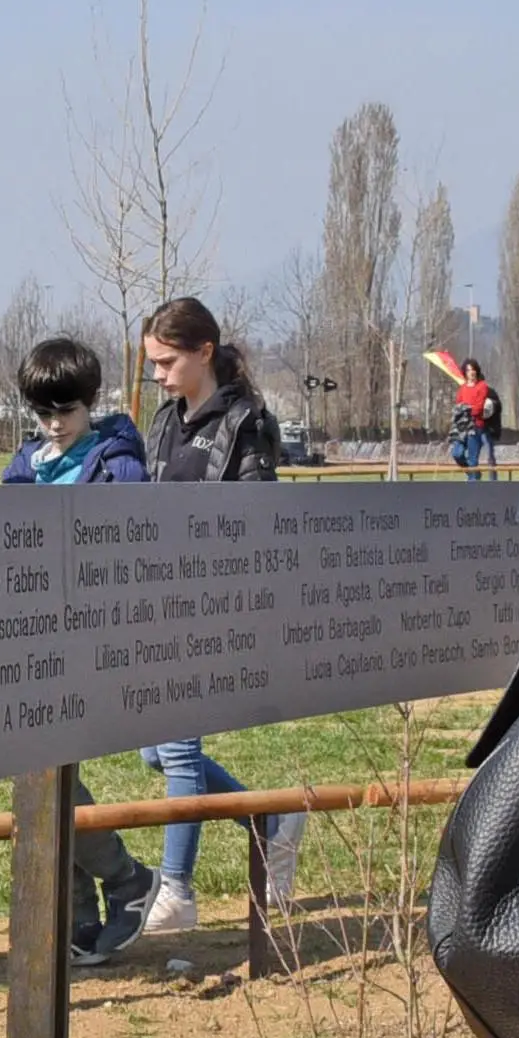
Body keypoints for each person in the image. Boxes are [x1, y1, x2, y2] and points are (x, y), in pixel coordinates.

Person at [132, 295, 297, 933]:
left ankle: (177, 891)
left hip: (212, 602)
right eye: (152, 363)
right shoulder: (165, 421)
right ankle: (273, 819)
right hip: (159, 597)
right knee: (154, 752)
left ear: (205, 352)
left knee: (177, 744)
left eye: (168, 362)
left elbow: (260, 516)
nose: (158, 375)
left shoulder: (247, 423)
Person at [0, 335, 159, 964]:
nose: (51, 425)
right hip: (29, 633)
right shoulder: (24, 465)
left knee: (53, 770)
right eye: (41, 413)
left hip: (89, 635)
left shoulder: (117, 463)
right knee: (37, 770)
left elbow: (124, 546)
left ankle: (127, 880)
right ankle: (76, 918)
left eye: (63, 412)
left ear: (90, 402)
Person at [452, 357, 498, 479]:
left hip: (476, 427)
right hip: (462, 428)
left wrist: (466, 409)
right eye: (468, 370)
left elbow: (478, 408)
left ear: (476, 371)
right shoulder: (462, 389)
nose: (471, 372)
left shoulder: (482, 386)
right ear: (465, 373)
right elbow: (458, 406)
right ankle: (475, 474)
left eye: (473, 370)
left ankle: (473, 484)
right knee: (457, 454)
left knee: (473, 461)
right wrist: (464, 409)